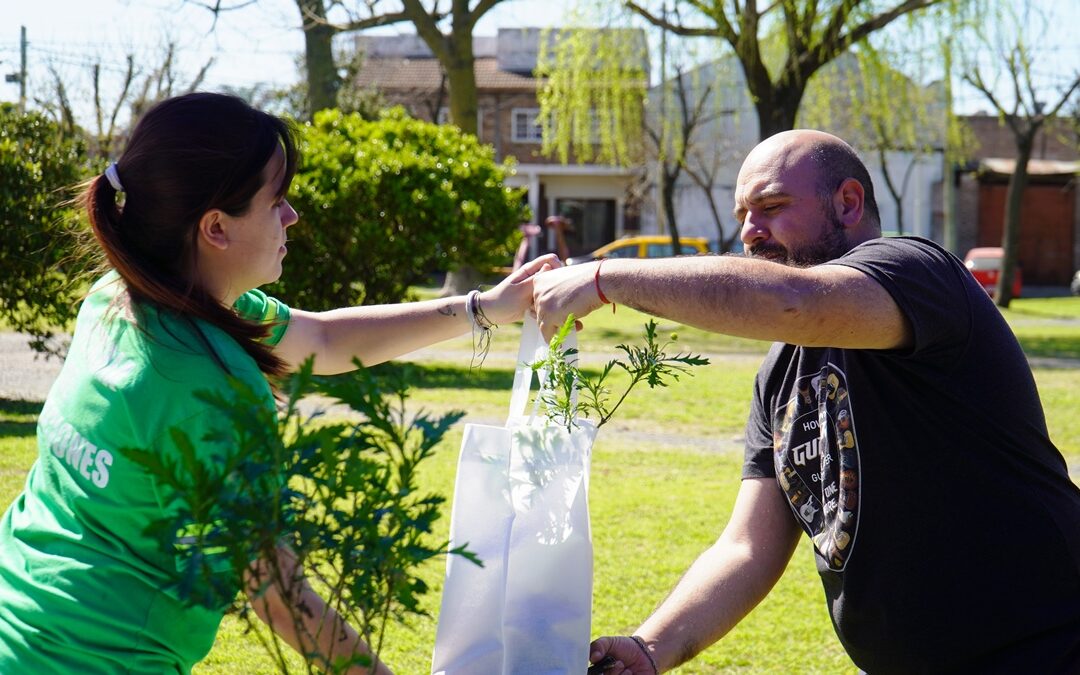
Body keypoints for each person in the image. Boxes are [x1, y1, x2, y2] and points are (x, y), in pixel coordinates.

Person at [0, 92, 557, 674]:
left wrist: (484, 308)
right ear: (215, 226)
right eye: (277, 200)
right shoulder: (206, 388)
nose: (291, 216)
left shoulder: (122, 299)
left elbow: (321, 342)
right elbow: (277, 593)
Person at [532, 129, 1080, 673]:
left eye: (770, 206)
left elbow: (791, 301)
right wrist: (650, 649)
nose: (750, 230)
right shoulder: (781, 372)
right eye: (742, 212)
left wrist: (603, 278)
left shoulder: (917, 271)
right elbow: (748, 548)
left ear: (847, 202)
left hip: (1046, 647)